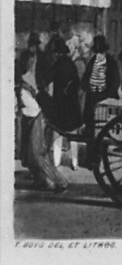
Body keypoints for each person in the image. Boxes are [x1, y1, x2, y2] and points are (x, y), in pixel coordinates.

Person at [16, 62, 67, 192]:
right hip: (28, 119)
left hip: (35, 119)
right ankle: (40, 180)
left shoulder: (22, 89)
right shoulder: (22, 84)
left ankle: (60, 181)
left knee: (37, 153)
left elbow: (34, 109)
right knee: (27, 155)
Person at [44, 36, 82, 172]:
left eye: (56, 53)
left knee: (57, 134)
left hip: (60, 104)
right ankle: (75, 163)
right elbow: (77, 84)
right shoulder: (71, 65)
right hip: (72, 105)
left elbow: (48, 80)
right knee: (73, 136)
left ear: (58, 53)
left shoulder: (56, 65)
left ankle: (56, 162)